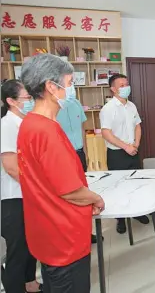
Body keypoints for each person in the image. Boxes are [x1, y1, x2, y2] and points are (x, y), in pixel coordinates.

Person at [18, 53, 105, 292]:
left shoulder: (29, 123)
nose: (70, 91)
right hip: (63, 236)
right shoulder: (46, 132)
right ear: (50, 86)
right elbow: (70, 191)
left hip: (46, 230)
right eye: (68, 84)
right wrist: (96, 198)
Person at [1, 80, 42, 293]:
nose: (30, 101)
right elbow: (10, 167)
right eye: (27, 98)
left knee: (31, 245)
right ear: (10, 101)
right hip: (14, 197)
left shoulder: (25, 122)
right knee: (17, 251)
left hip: (29, 195)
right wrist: (37, 186)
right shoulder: (7, 125)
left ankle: (31, 284)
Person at [100, 73, 149, 234]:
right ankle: (120, 219)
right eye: (121, 85)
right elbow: (106, 133)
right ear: (113, 89)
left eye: (126, 84)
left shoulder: (131, 106)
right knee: (118, 187)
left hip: (133, 150)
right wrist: (125, 146)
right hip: (117, 154)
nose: (125, 87)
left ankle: (138, 213)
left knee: (136, 183)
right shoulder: (108, 109)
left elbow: (138, 126)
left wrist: (136, 143)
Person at [56, 88, 103, 244]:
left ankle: (86, 233)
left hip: (79, 152)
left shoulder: (76, 104)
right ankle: (70, 235)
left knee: (83, 193)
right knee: (69, 195)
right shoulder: (53, 107)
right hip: (62, 156)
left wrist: (86, 151)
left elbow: (82, 129)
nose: (71, 87)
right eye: (68, 83)